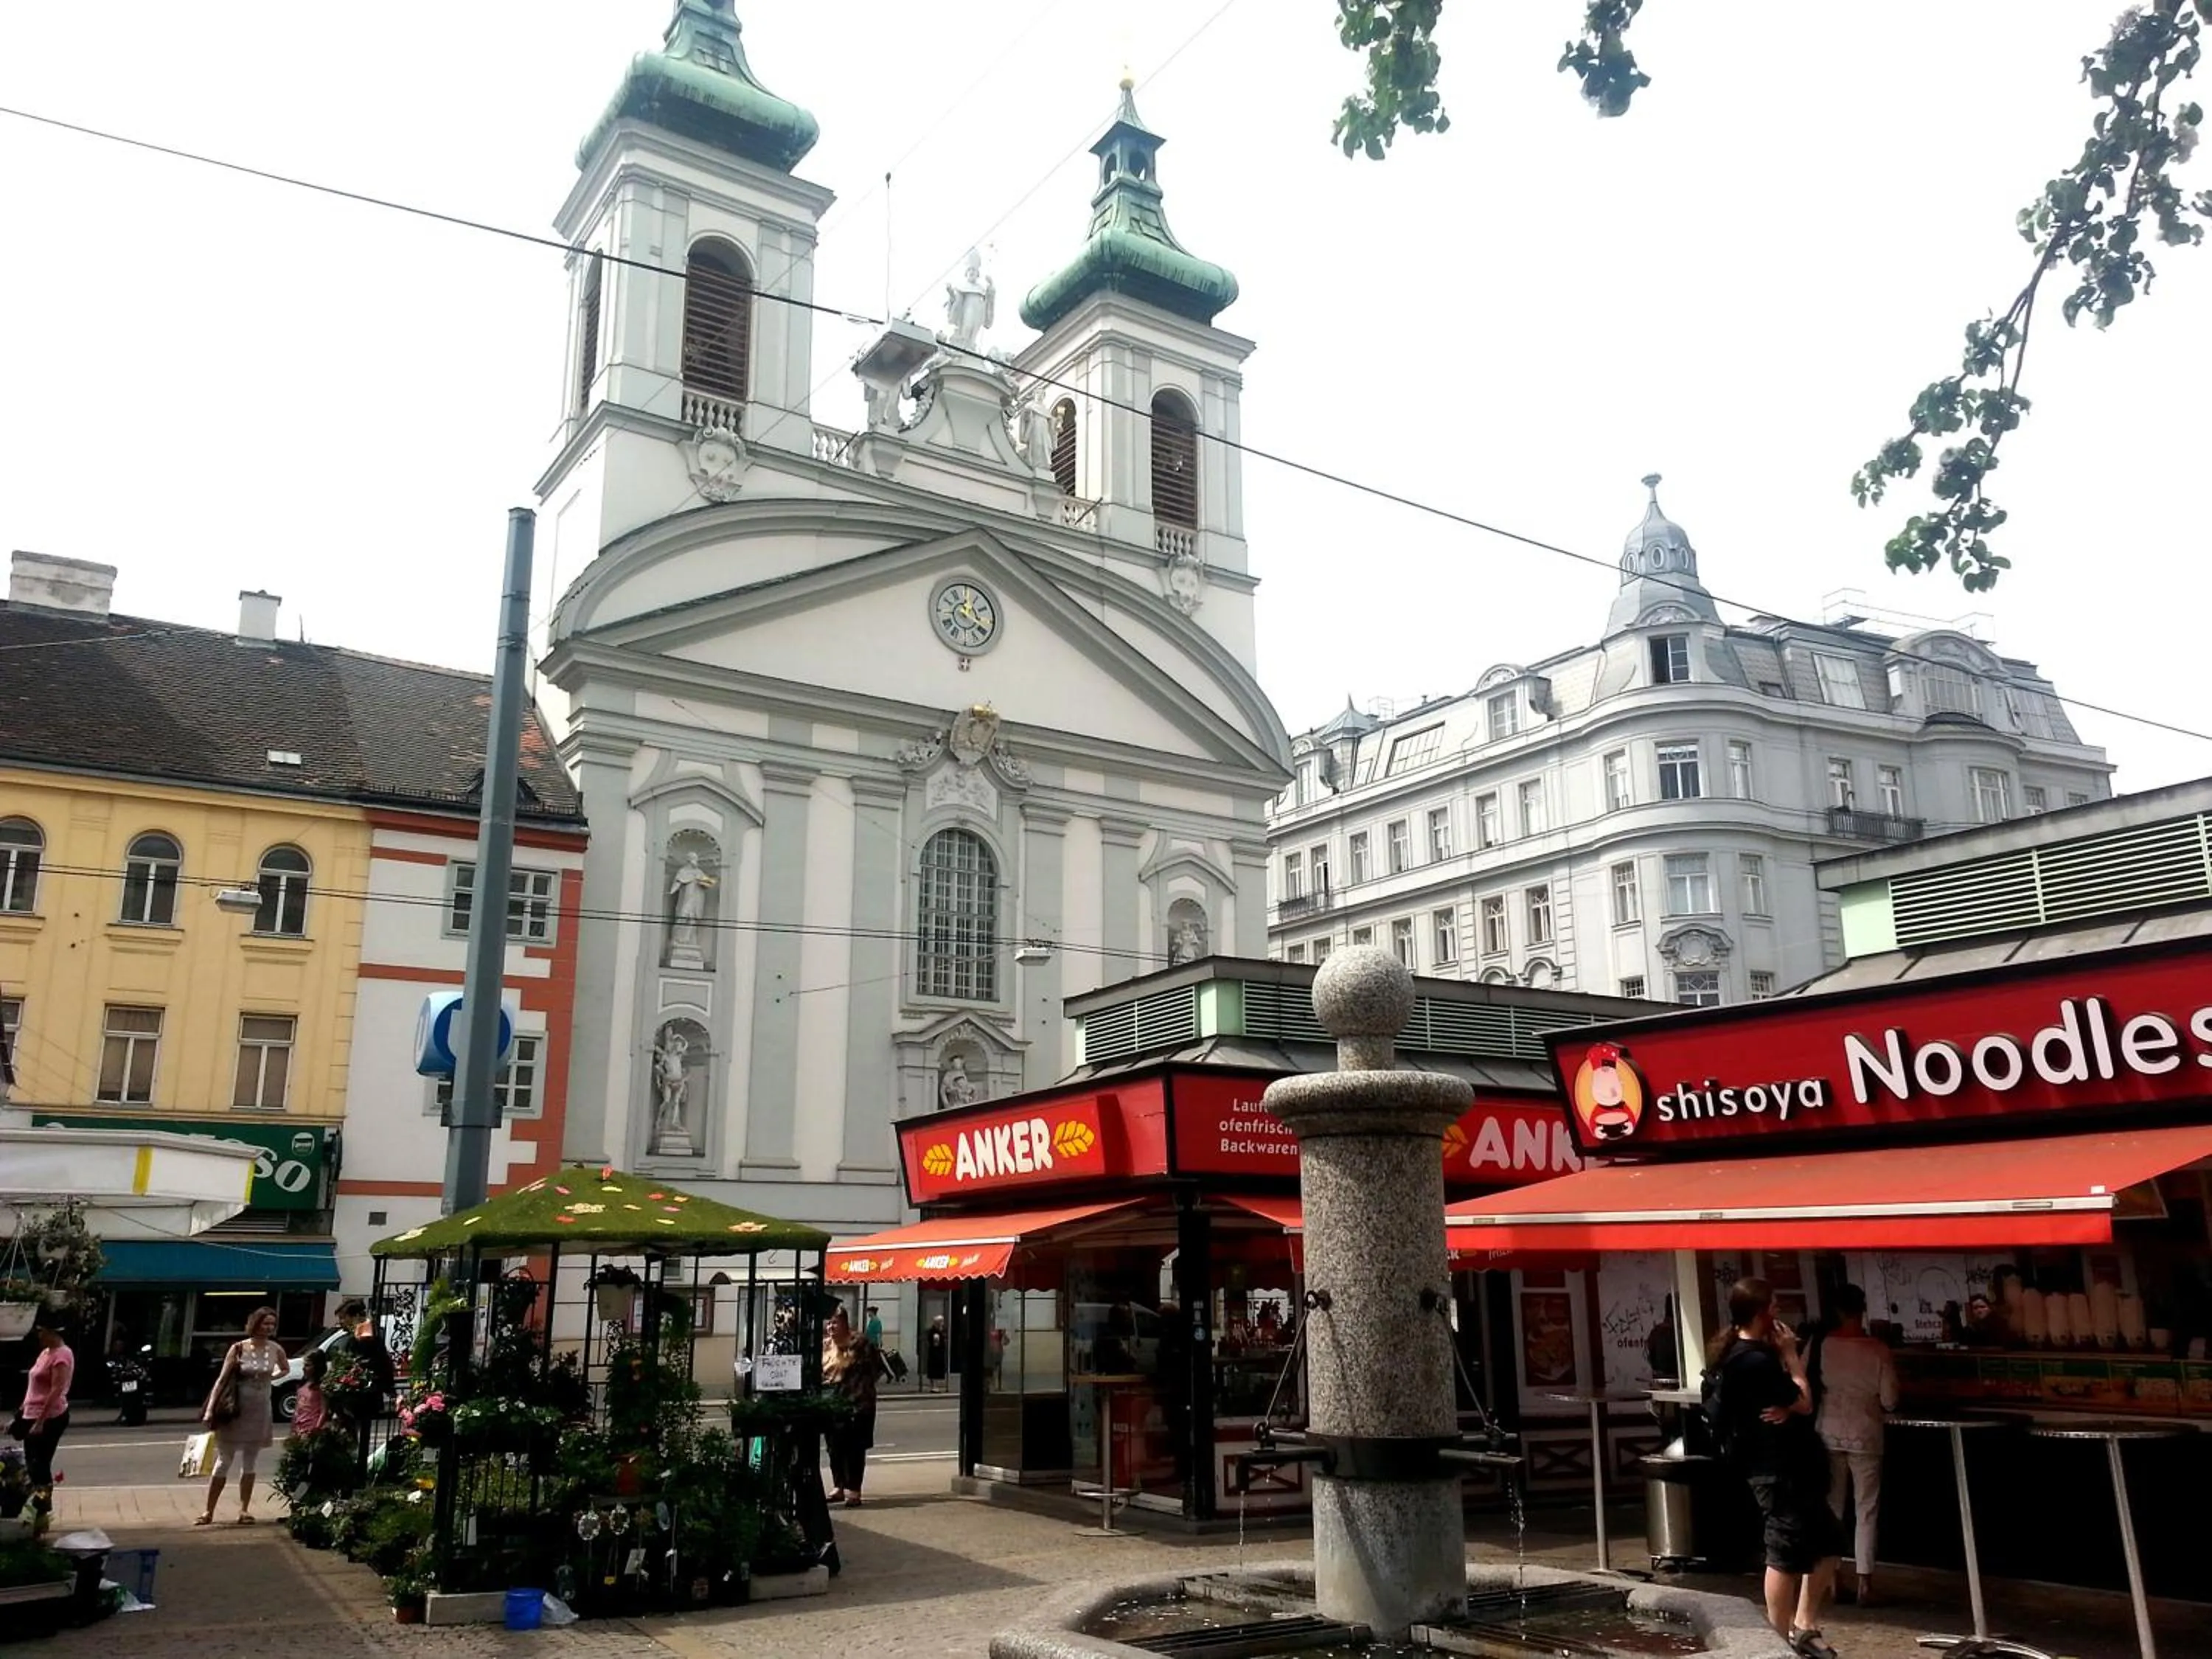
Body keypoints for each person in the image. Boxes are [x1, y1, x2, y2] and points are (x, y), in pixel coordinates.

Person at [1706, 1277, 1843, 1658]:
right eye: (1775, 1306)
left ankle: (1803, 1624)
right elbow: (1804, 1401)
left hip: (1789, 1467)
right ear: (1762, 1313)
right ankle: (1776, 1640)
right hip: (1775, 1468)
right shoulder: (1754, 1360)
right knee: (1783, 1552)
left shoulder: (1741, 1354)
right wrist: (1792, 1357)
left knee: (1829, 1542)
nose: (1780, 1312)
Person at [1815, 1284, 1899, 1607]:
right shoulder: (1877, 1349)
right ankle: (1865, 1582)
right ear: (1861, 1309)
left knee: (1832, 1510)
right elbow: (1890, 1400)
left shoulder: (1822, 1346)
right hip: (1866, 1433)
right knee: (1867, 1508)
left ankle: (1834, 1580)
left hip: (1828, 1432)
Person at [198, 1306, 287, 1526]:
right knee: (224, 1460)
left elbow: (285, 1368)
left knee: (251, 1461)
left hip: (260, 1409)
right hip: (235, 1409)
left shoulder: (276, 1349)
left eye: (272, 1324)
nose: (268, 1328)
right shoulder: (238, 1348)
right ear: (255, 1324)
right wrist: (210, 1409)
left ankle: (244, 1510)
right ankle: (208, 1511)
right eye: (265, 1323)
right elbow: (222, 1379)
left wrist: (271, 1377)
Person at [12, 1317, 74, 1534]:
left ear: (52, 1333)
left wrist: (40, 1422)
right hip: (31, 1412)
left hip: (50, 1417)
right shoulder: (45, 1353)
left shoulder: (62, 1356)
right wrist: (20, 1414)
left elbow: (55, 1391)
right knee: (31, 1464)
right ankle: (38, 1510)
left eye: (42, 1332)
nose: (39, 1336)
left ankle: (40, 1513)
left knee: (40, 1465)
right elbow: (33, 1388)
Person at [821, 1309, 879, 1507]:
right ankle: (838, 1486)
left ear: (845, 1324)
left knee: (854, 1448)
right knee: (834, 1447)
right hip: (832, 1400)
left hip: (857, 1402)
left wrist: (859, 1393)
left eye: (835, 1323)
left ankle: (853, 1490)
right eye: (829, 1323)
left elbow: (874, 1369)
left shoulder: (860, 1343)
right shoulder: (826, 1345)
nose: (830, 1327)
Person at [331, 1298, 394, 1422]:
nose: (341, 1322)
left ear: (355, 1317)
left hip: (363, 1395)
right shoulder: (355, 1335)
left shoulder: (366, 1335)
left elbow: (372, 1361)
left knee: (356, 1430)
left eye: (343, 1318)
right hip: (356, 1394)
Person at [291, 1349, 330, 1436]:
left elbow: (324, 1411)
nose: (304, 1368)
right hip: (299, 1428)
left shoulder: (321, 1387)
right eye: (304, 1365)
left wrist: (317, 1428)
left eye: (308, 1365)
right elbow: (298, 1408)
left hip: (312, 1429)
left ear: (317, 1366)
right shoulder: (303, 1384)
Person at [923, 1315, 950, 1394]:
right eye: (941, 1322)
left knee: (934, 1370)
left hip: (935, 1353)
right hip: (936, 1354)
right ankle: (934, 1386)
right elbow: (936, 1343)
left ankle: (934, 1386)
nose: (943, 1324)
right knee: (935, 1370)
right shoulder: (935, 1332)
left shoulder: (936, 1331)